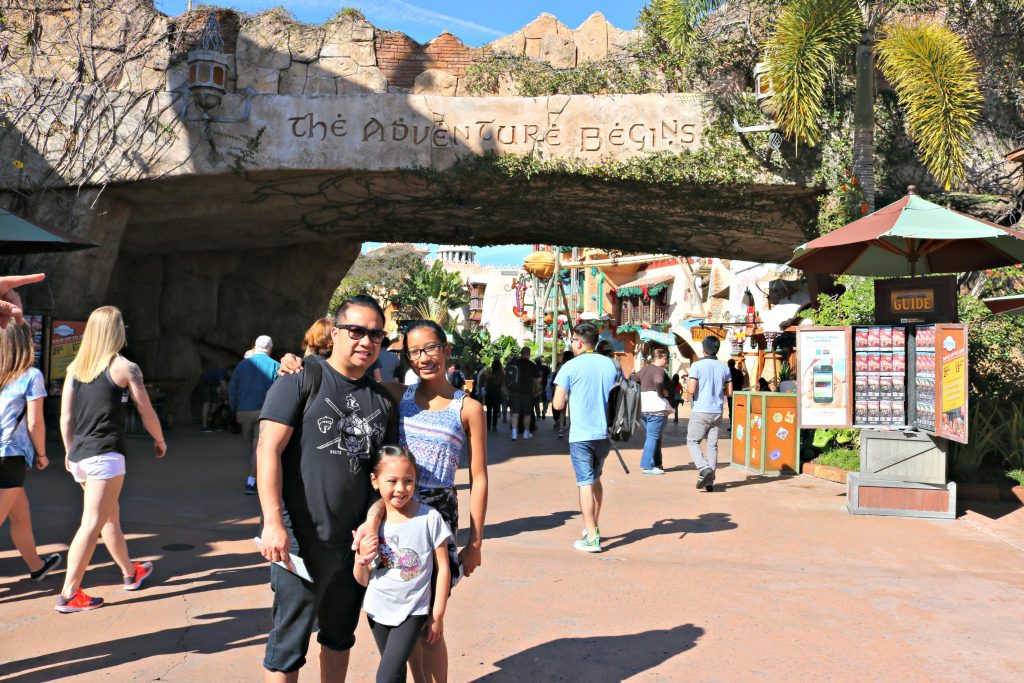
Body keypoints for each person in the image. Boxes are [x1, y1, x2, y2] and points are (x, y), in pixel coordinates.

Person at [257, 295, 398, 682]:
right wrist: (273, 523)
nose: (366, 341)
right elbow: (268, 449)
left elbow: (381, 477)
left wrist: (372, 521)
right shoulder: (302, 379)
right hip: (299, 540)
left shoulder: (383, 402)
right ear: (335, 332)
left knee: (338, 638)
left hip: (351, 544)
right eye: (356, 331)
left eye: (375, 335)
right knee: (288, 647)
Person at [389, 319, 488, 682]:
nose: (423, 358)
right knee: (407, 619)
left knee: (431, 621)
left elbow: (479, 477)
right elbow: (343, 376)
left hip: (439, 520)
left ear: (447, 350)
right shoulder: (397, 397)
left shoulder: (469, 408)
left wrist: (475, 542)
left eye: (430, 348)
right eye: (414, 351)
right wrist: (296, 362)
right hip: (398, 516)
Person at [57, 306, 166, 613]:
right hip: (105, 455)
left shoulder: (76, 367)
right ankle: (69, 593)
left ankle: (130, 572)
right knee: (92, 523)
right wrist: (159, 439)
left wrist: (68, 451)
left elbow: (66, 417)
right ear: (117, 331)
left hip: (80, 455)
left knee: (109, 518)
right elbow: (146, 410)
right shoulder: (125, 368)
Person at [353, 446, 452, 683]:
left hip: (413, 611)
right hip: (377, 610)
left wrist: (437, 613)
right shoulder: (371, 527)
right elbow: (362, 579)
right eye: (392, 481)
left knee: (386, 676)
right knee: (396, 672)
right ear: (375, 481)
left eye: (408, 481)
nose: (401, 488)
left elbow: (443, 568)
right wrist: (361, 559)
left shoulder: (429, 518)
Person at [0, 321, 62, 581]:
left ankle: (37, 566)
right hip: (10, 456)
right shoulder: (31, 375)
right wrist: (42, 454)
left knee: (21, 516)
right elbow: (35, 422)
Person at [552, 324, 618, 553]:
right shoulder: (610, 364)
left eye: (572, 340)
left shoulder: (569, 366)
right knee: (596, 478)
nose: (571, 344)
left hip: (581, 434)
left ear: (579, 342)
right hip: (605, 433)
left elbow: (557, 404)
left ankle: (591, 537)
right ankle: (593, 525)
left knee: (584, 483)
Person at [229, 335, 280, 495]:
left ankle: (253, 479)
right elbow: (280, 392)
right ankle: (253, 482)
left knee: (254, 448)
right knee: (258, 449)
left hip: (244, 412)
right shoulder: (275, 365)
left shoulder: (242, 365)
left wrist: (235, 409)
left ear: (255, 347)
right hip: (264, 412)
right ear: (270, 349)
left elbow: (232, 389)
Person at [687, 336, 732, 493]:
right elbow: (730, 392)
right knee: (712, 445)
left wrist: (689, 388)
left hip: (701, 410)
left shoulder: (696, 366)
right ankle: (710, 481)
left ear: (704, 349)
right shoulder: (724, 367)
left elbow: (692, 390)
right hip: (717, 410)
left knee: (692, 441)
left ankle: (704, 468)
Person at [637, 348, 672, 475]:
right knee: (653, 437)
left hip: (643, 408)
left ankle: (657, 463)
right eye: (665, 358)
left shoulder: (644, 369)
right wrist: (660, 392)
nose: (666, 361)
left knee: (654, 436)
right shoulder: (659, 370)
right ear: (658, 359)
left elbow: (633, 378)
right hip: (656, 408)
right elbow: (658, 381)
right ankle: (647, 466)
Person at [506, 347, 538, 440]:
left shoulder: (514, 364)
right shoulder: (532, 365)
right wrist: (536, 388)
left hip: (514, 392)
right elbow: (537, 379)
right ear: (529, 353)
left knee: (515, 413)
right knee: (527, 414)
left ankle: (514, 434)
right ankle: (526, 433)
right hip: (527, 392)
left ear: (521, 353)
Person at [551, 350, 574, 439]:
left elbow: (557, 379)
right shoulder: (574, 365)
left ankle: (561, 430)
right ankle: (571, 429)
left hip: (563, 389)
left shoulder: (561, 366)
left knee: (562, 411)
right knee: (571, 411)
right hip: (572, 390)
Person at [199, 366, 230, 432]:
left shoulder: (227, 376)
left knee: (215, 402)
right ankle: (204, 426)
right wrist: (227, 398)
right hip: (205, 381)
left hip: (213, 383)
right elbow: (224, 388)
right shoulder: (222, 372)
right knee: (206, 402)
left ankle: (213, 424)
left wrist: (224, 397)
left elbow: (223, 389)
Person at [483, 359, 505, 432]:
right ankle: (494, 426)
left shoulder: (489, 373)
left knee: (489, 410)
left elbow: (485, 381)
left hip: (489, 394)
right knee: (495, 411)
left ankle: (488, 426)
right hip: (497, 394)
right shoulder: (501, 374)